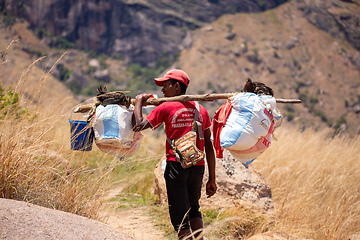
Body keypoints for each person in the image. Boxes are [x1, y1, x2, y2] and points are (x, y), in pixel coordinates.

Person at [132, 69, 217, 240]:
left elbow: (138, 125)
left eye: (166, 85)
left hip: (176, 166)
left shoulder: (166, 107)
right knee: (194, 208)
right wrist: (212, 178)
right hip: (198, 167)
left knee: (181, 218)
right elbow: (209, 145)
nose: (162, 90)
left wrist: (139, 101)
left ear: (176, 87)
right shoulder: (202, 110)